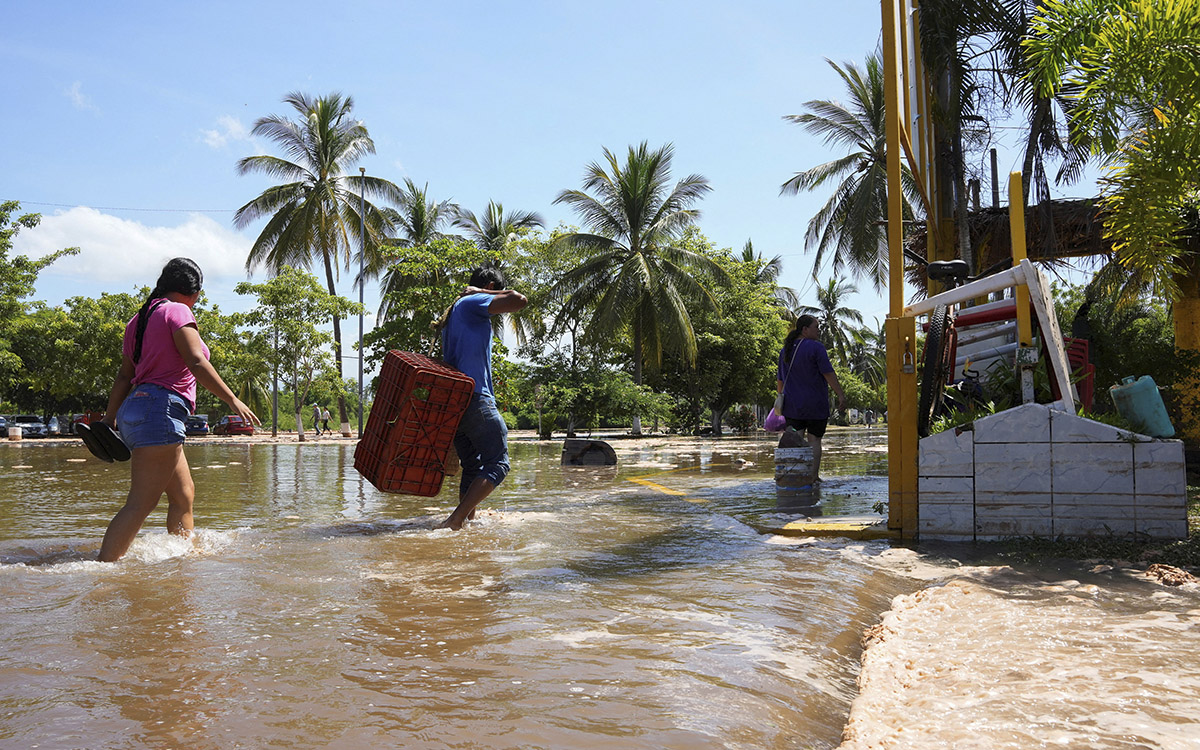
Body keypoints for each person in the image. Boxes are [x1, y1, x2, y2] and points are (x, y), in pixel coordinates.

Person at [98, 258, 260, 561]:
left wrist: (109, 419)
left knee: (184, 494)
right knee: (140, 504)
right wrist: (232, 400)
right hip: (160, 411)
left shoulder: (139, 320)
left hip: (136, 409)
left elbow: (124, 375)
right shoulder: (178, 310)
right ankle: (101, 571)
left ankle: (184, 560)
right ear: (194, 292)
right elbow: (197, 362)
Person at [437, 265, 527, 530]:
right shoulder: (473, 301)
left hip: (457, 402)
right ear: (489, 287)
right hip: (476, 396)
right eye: (494, 293)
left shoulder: (455, 312)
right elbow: (519, 300)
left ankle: (466, 524)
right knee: (499, 462)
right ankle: (455, 520)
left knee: (473, 467)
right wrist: (484, 292)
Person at [776, 314, 846, 483]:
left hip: (793, 405)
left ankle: (797, 477)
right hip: (816, 404)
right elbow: (828, 373)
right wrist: (840, 394)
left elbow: (780, 380)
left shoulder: (785, 350)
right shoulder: (816, 348)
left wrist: (780, 399)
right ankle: (813, 477)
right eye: (816, 327)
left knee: (796, 440)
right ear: (805, 330)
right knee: (814, 440)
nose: (819, 331)